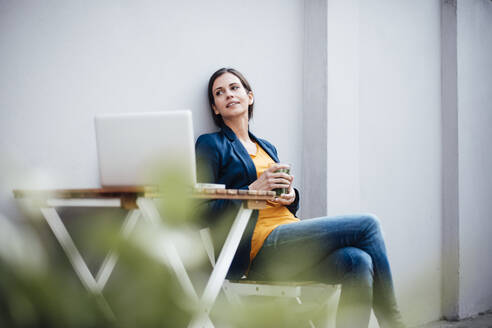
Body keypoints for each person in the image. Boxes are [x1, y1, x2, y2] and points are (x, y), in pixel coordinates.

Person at [195, 67, 406, 328]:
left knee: (358, 261)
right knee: (368, 225)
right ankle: (394, 322)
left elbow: (286, 204)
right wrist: (252, 190)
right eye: (219, 92)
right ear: (215, 108)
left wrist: (292, 196)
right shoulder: (210, 144)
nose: (228, 94)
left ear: (250, 97)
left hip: (289, 237)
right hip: (256, 249)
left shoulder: (267, 147)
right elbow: (199, 212)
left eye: (234, 88)